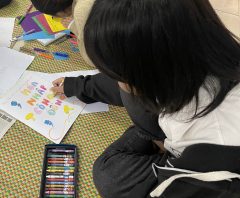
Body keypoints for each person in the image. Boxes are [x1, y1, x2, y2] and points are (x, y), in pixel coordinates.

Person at [31, 0, 240, 197]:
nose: (119, 83)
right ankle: (155, 138)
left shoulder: (211, 168)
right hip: (180, 132)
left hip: (192, 165)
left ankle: (155, 140)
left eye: (118, 75)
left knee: (109, 176)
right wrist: (77, 85)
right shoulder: (195, 52)